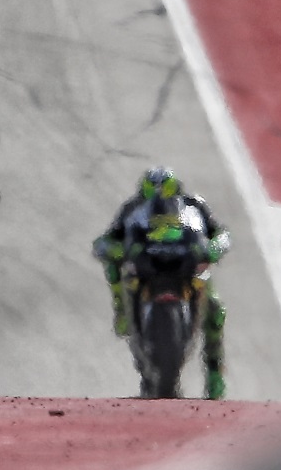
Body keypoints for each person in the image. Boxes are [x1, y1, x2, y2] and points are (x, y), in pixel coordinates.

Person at [92, 167, 229, 400]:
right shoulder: (132, 209)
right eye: (152, 194)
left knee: (216, 309)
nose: (158, 199)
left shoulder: (194, 206)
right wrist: (118, 250)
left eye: (165, 193)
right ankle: (123, 311)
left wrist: (215, 247)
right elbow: (105, 241)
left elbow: (221, 233)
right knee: (120, 277)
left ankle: (215, 374)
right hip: (146, 269)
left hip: (186, 265)